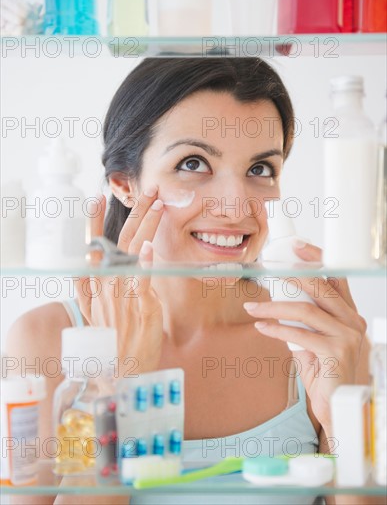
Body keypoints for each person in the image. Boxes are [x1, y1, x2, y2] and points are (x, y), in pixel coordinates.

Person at [6, 58, 372, 505]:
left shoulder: (317, 342)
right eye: (194, 163)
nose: (236, 207)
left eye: (260, 170)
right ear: (125, 183)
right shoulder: (45, 341)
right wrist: (115, 388)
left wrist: (343, 425)